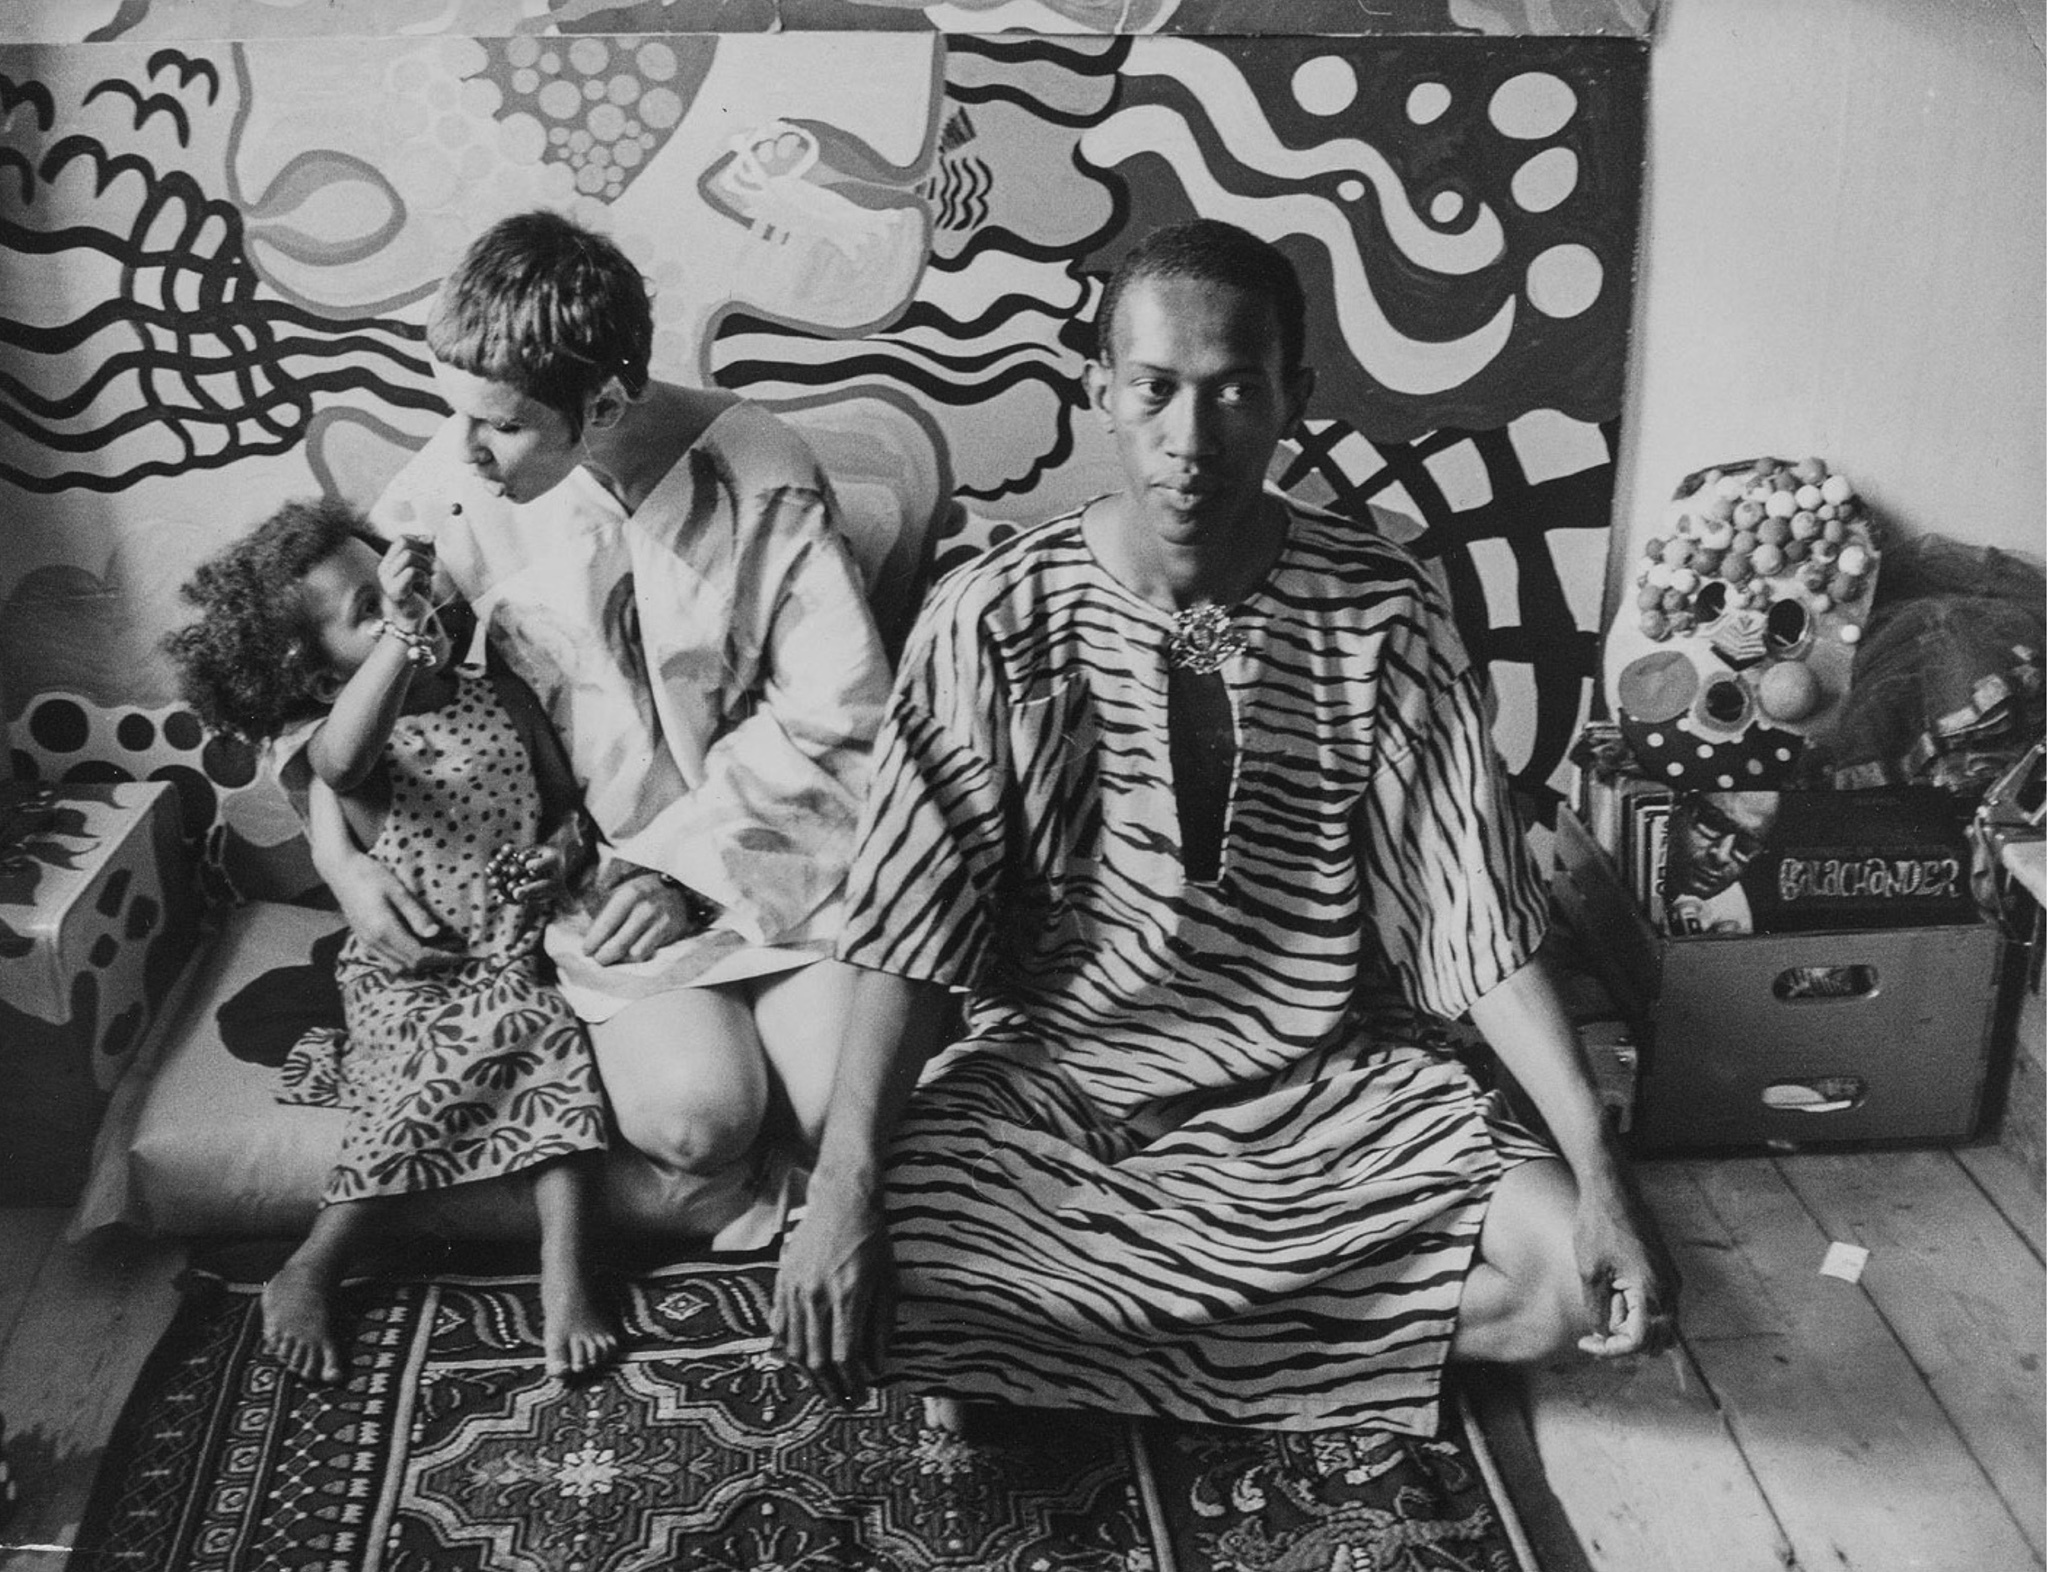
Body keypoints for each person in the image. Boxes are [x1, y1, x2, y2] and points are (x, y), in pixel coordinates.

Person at [774, 218, 1676, 1435]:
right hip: (1059, 1092)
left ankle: (1096, 1355)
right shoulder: (989, 615)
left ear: (1290, 399)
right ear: (1103, 391)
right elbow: (909, 937)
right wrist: (839, 1188)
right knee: (893, 1269)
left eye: (1232, 391)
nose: (1188, 440)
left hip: (1326, 1089)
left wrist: (1601, 1173)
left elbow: (1480, 924)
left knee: (1570, 1284)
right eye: (1152, 391)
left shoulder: (1382, 608)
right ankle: (1275, 1351)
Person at [298, 210, 891, 1238]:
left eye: (503, 426)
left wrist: (688, 876)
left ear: (605, 399)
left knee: (861, 1107)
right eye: (457, 416)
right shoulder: (455, 485)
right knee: (700, 1121)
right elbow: (345, 719)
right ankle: (722, 1178)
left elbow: (841, 722)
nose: (467, 455)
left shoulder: (760, 470)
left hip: (792, 864)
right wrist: (344, 868)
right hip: (602, 879)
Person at [167, 499, 616, 1383]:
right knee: (424, 1070)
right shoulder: (329, 744)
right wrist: (401, 638)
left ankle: (568, 1273)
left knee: (552, 1045)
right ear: (313, 672)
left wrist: (557, 858)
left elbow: (567, 808)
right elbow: (344, 761)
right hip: (406, 972)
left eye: (392, 591)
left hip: (512, 950)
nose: (399, 618)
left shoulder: (499, 697)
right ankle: (310, 1267)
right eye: (362, 615)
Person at [1663, 789, 1780, 934]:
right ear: (1675, 809)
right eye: (1713, 824)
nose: (1721, 856)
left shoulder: (1731, 911)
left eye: (1745, 845)